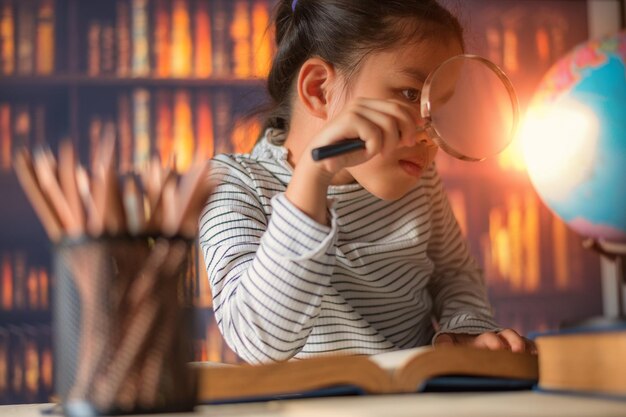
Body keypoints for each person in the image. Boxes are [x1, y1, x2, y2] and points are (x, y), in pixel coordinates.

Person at [199, 0, 535, 364]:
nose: (431, 136)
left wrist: (466, 329)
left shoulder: (420, 182)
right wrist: (314, 176)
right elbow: (259, 343)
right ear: (319, 90)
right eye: (410, 95)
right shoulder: (233, 184)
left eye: (439, 107)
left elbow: (454, 273)